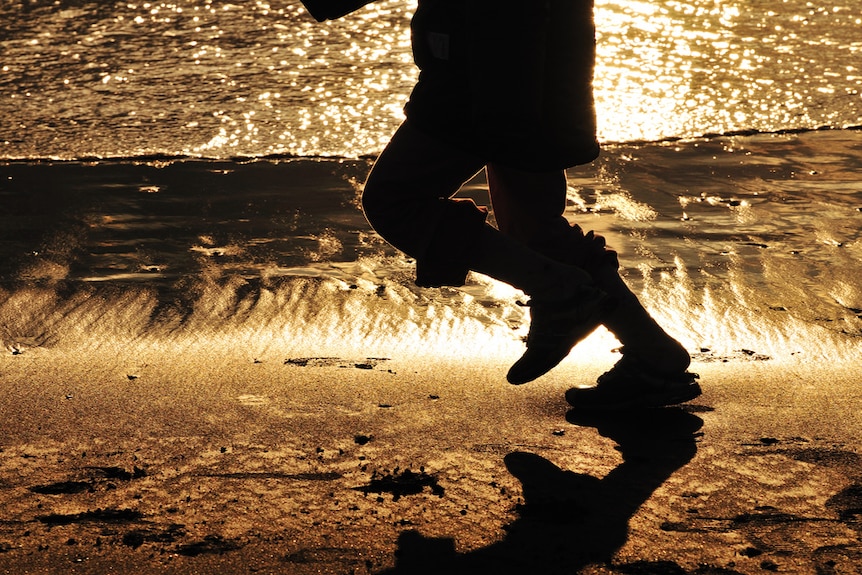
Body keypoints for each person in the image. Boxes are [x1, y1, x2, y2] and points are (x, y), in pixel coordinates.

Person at [302, 0, 701, 409]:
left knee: (395, 200)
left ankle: (561, 292)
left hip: (490, 72)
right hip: (526, 70)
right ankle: (655, 356)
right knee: (534, 228)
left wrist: (506, 108)